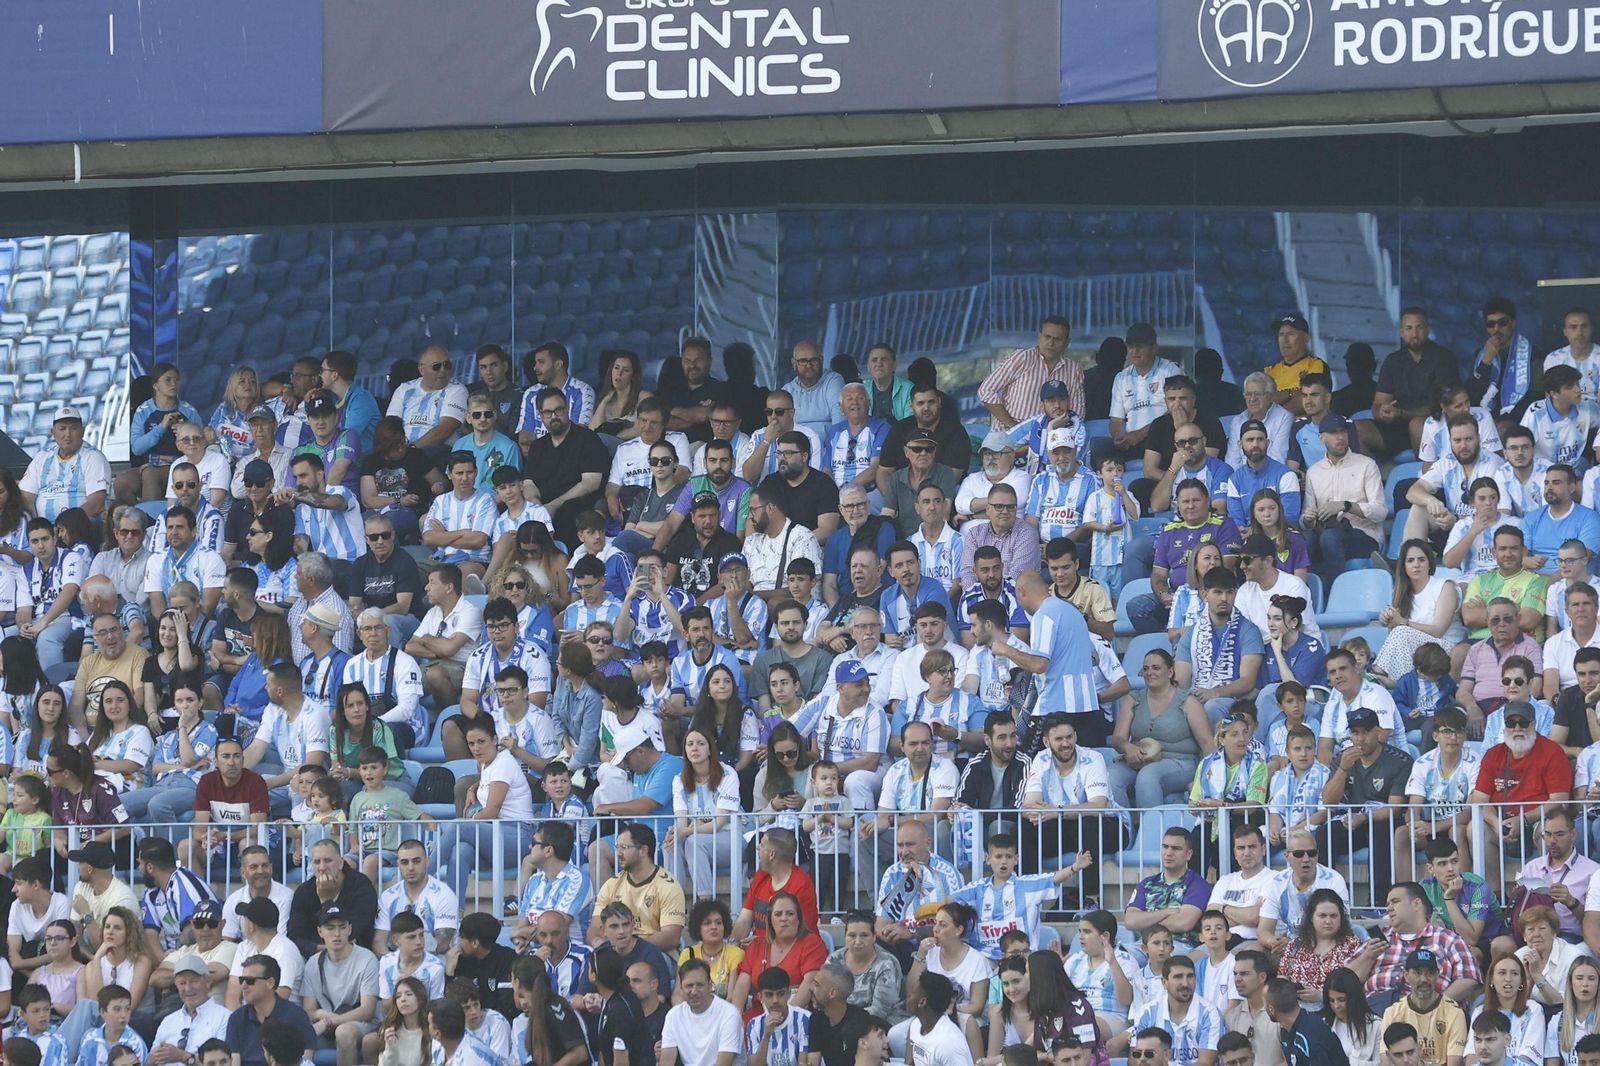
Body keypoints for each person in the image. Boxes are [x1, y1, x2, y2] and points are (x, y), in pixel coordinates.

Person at [1467, 702, 1572, 874]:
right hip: (1503, 822)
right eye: (1511, 723)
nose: (1517, 728)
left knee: (1550, 831)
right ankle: (1494, 895)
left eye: (1523, 722)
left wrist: (1522, 820)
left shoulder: (1552, 751)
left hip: (1540, 820)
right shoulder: (1493, 754)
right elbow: (1479, 799)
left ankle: (1546, 893)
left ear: (1534, 724)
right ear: (1505, 726)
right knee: (1474, 827)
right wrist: (1496, 825)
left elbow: (1559, 799)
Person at [660, 958, 744, 1066]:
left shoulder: (729, 1013)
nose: (694, 991)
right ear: (680, 987)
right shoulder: (673, 1015)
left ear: (710, 985)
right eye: (689, 986)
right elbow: (666, 1062)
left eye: (700, 985)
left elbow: (724, 1063)